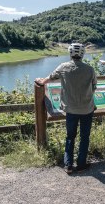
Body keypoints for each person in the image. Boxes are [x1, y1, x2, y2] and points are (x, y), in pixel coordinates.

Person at [35, 43, 97, 174]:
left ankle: (68, 165)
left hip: (71, 109)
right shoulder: (90, 69)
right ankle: (81, 163)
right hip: (87, 108)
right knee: (85, 136)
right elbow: (94, 87)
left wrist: (41, 81)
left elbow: (49, 78)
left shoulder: (63, 67)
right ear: (82, 54)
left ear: (70, 54)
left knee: (70, 136)